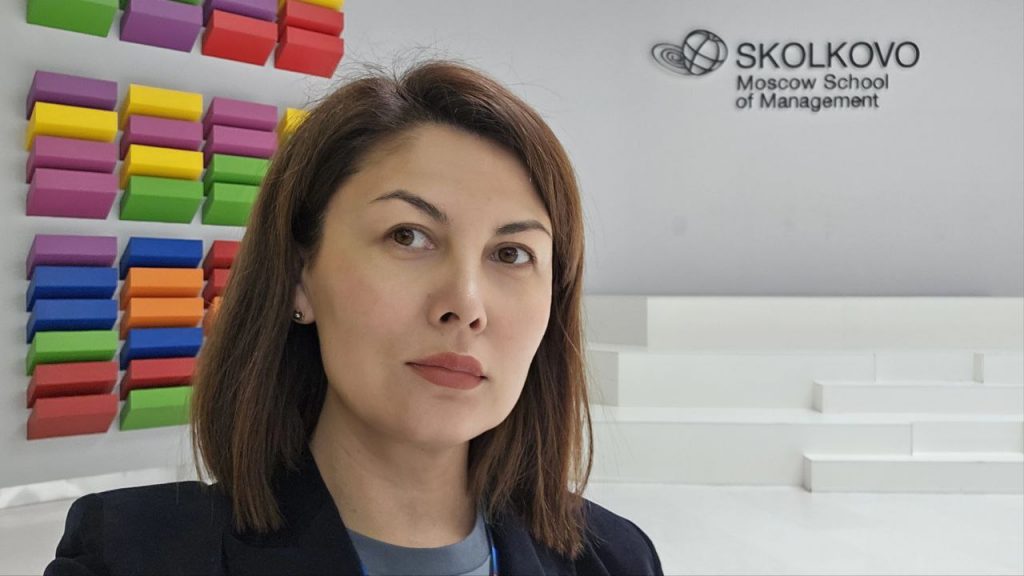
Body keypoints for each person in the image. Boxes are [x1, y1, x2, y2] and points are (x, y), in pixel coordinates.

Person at [44, 58, 664, 576]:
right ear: (299, 276)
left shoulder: (617, 559)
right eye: (407, 236)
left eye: (511, 254)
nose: (466, 304)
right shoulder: (128, 555)